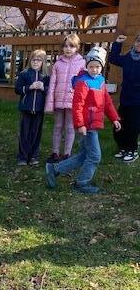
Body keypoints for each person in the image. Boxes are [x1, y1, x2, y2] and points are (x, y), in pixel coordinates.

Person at [45, 46, 121, 194]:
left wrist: (114, 118)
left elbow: (107, 102)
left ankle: (54, 169)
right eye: (91, 66)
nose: (94, 70)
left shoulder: (100, 81)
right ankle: (82, 183)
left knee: (83, 155)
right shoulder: (83, 82)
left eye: (97, 66)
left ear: (102, 67)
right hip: (86, 125)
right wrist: (80, 124)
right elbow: (77, 105)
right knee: (95, 156)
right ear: (86, 66)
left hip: (93, 124)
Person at [45, 33, 85, 162]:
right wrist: (50, 102)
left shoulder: (82, 64)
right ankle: (55, 153)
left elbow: (83, 85)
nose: (68, 49)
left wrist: (80, 102)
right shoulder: (58, 64)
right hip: (58, 100)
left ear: (77, 47)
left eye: (71, 46)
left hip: (73, 101)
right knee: (57, 126)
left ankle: (67, 154)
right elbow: (52, 84)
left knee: (70, 127)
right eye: (66, 46)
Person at [108, 32, 140, 163]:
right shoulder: (128, 57)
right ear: (135, 42)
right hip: (125, 98)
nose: (139, 44)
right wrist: (117, 43)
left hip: (137, 101)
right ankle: (122, 148)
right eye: (138, 41)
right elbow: (113, 59)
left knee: (133, 127)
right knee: (120, 125)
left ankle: (132, 150)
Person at [14, 49, 49, 166]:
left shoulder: (45, 76)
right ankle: (23, 157)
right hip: (26, 108)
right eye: (33, 60)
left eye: (38, 60)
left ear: (43, 62)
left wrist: (43, 88)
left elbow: (49, 91)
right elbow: (17, 89)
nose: (35, 62)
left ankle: (34, 156)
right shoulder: (24, 74)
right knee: (24, 133)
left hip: (39, 109)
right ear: (30, 61)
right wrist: (30, 87)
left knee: (36, 133)